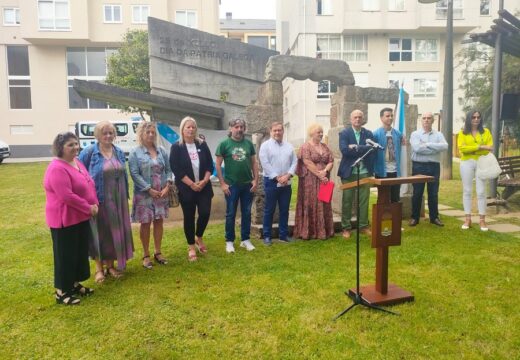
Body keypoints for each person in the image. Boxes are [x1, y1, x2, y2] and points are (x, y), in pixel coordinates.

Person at [43, 132, 98, 305]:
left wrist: (94, 203)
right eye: (70, 145)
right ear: (60, 148)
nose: (75, 147)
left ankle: (74, 284)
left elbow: (89, 183)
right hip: (64, 219)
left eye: (76, 144)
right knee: (65, 255)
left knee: (78, 252)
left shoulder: (77, 162)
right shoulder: (57, 167)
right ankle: (62, 292)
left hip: (80, 217)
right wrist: (88, 208)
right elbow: (66, 195)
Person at [78, 121, 134, 282]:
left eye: (111, 133)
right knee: (99, 233)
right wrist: (87, 199)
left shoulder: (118, 151)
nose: (108, 136)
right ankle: (98, 269)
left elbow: (122, 174)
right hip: (99, 199)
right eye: (105, 133)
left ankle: (110, 266)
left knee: (113, 233)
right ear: (98, 135)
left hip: (118, 199)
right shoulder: (89, 152)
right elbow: (80, 175)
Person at [170, 116, 214, 261]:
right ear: (182, 129)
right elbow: (176, 169)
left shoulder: (202, 144)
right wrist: (192, 184)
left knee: (205, 213)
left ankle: (198, 237)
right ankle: (191, 246)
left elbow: (209, 165)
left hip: (204, 187)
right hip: (186, 188)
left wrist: (204, 181)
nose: (191, 129)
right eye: (188, 127)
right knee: (189, 217)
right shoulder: (176, 147)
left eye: (193, 127)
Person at [129, 122, 172, 269]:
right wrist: (148, 189)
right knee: (145, 223)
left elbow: (168, 169)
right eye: (148, 132)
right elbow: (134, 174)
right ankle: (146, 255)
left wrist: (168, 185)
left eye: (153, 132)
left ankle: (158, 252)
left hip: (161, 193)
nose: (151, 135)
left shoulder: (161, 151)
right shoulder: (135, 152)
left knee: (159, 221)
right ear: (141, 134)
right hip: (144, 194)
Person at [215, 118, 259, 253]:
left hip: (247, 185)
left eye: (241, 127)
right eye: (236, 127)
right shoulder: (224, 144)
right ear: (231, 128)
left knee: (246, 213)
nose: (239, 129)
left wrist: (255, 180)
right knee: (231, 214)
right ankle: (229, 241)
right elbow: (217, 164)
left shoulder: (248, 144)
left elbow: (254, 163)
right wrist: (222, 183)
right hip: (231, 185)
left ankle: (245, 240)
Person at [338, 110, 375, 239]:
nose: (358, 119)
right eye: (355, 117)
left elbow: (371, 149)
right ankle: (346, 228)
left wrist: (355, 147)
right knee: (347, 201)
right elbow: (344, 151)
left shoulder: (368, 133)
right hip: (349, 173)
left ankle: (363, 226)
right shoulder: (345, 133)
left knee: (364, 201)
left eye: (360, 117)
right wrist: (362, 148)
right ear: (350, 119)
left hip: (364, 172)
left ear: (363, 118)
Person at [293, 123, 335, 240]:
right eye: (318, 132)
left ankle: (324, 230)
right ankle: (309, 231)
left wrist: (325, 171)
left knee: (324, 202)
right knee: (311, 202)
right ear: (312, 133)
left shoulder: (325, 147)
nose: (321, 134)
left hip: (324, 178)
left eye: (322, 132)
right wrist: (320, 174)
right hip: (310, 180)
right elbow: (307, 162)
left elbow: (331, 160)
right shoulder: (305, 147)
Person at [258, 121, 297, 245]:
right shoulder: (265, 146)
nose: (277, 132)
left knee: (284, 210)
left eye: (279, 130)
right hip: (271, 182)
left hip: (287, 182)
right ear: (271, 131)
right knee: (269, 209)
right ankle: (267, 236)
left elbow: (294, 162)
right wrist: (277, 177)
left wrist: (288, 175)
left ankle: (283, 235)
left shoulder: (289, 146)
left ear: (283, 131)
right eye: (275, 130)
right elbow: (265, 163)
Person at [409, 112, 448, 227]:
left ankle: (434, 217)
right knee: (417, 193)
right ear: (421, 120)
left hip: (433, 166)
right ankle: (414, 218)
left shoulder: (438, 134)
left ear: (433, 120)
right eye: (424, 118)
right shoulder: (415, 134)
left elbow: (445, 146)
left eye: (429, 118)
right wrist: (435, 148)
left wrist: (427, 144)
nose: (426, 120)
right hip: (418, 166)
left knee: (433, 193)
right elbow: (417, 149)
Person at [457, 110, 493, 231]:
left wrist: (473, 149)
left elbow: (489, 149)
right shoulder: (462, 132)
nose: (476, 119)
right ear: (469, 118)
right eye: (473, 117)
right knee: (467, 190)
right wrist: (480, 147)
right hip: (466, 163)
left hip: (482, 162)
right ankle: (468, 218)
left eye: (478, 117)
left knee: (481, 191)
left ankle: (482, 220)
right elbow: (462, 149)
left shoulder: (486, 132)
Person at [373, 107, 404, 203]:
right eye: (387, 116)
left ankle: (395, 216)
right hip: (382, 171)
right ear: (381, 118)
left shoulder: (398, 134)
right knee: (383, 197)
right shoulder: (375, 134)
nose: (390, 118)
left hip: (395, 170)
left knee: (395, 198)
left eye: (391, 116)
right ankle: (382, 217)